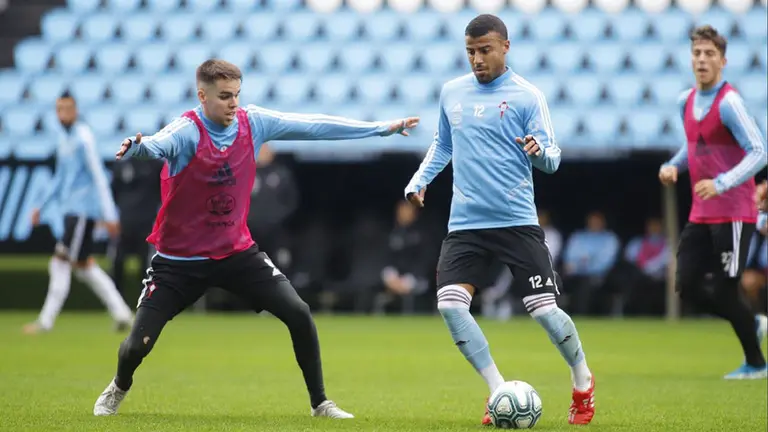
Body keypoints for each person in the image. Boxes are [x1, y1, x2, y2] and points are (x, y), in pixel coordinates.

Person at [92, 59, 419, 418]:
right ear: (202, 96)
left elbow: (313, 127)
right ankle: (119, 385)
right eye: (224, 96)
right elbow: (159, 144)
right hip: (179, 263)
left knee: (299, 313)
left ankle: (320, 403)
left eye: (236, 95)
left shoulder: (253, 122)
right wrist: (139, 147)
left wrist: (378, 129)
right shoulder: (188, 130)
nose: (233, 103)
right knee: (135, 347)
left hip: (236, 254)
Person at [403, 15, 594, 426]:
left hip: (516, 221)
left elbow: (553, 160)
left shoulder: (527, 96)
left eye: (485, 50)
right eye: (471, 51)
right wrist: (420, 181)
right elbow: (442, 144)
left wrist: (538, 151)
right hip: (466, 224)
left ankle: (582, 380)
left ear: (505, 47)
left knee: (543, 311)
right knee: (450, 306)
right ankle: (498, 392)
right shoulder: (451, 92)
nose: (477, 59)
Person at [658, 25, 768, 380]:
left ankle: (756, 363)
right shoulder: (685, 101)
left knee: (724, 290)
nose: (702, 60)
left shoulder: (730, 103)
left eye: (709, 54)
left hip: (734, 213)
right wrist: (673, 166)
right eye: (697, 54)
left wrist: (722, 183)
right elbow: (693, 147)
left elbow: (759, 152)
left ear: (723, 60)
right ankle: (751, 322)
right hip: (700, 213)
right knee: (686, 285)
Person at [24, 92, 133, 335]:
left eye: (66, 109)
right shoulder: (63, 140)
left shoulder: (84, 138)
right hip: (70, 210)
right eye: (59, 109)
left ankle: (45, 322)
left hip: (83, 212)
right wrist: (40, 206)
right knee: (83, 265)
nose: (62, 114)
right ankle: (121, 312)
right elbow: (60, 177)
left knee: (60, 261)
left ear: (75, 111)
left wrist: (110, 215)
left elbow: (98, 176)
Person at [110, 156, 164, 294]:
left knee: (145, 264)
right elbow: (114, 192)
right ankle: (117, 300)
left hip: (146, 223)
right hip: (126, 221)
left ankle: (146, 298)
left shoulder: (156, 166)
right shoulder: (122, 166)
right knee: (118, 262)